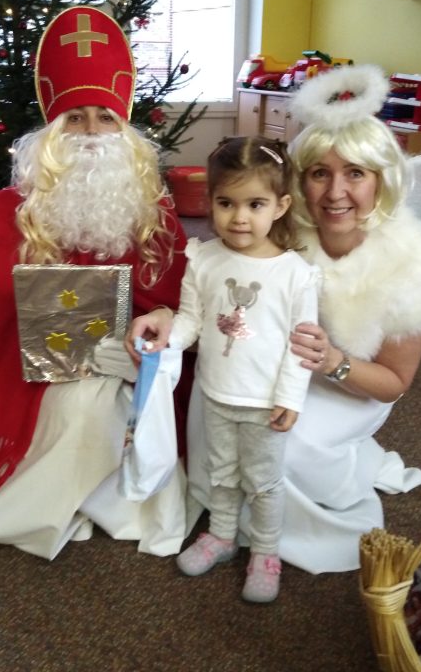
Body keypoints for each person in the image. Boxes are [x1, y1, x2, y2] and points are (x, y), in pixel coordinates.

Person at [128, 64, 421, 574]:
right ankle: (226, 524)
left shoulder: (414, 265)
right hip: (266, 364)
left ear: (381, 179)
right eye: (320, 173)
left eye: (355, 173)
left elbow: (393, 384)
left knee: (284, 442)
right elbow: (217, 292)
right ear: (299, 183)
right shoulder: (279, 226)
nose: (335, 192)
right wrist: (167, 315)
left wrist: (334, 362)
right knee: (216, 402)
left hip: (351, 385)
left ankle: (276, 538)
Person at [0, 5, 192, 560]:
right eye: (74, 118)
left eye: (105, 118)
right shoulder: (18, 208)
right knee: (76, 408)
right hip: (31, 364)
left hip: (131, 367)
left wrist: (162, 321)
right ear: (50, 134)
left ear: (125, 132)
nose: (90, 132)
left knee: (97, 407)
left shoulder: (154, 215)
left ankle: (80, 499)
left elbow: (182, 301)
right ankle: (51, 505)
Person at [131, 137, 319, 603]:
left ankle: (266, 553)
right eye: (226, 203)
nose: (239, 217)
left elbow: (301, 346)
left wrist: (290, 398)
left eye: (255, 204)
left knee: (263, 481)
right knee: (220, 472)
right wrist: (166, 339)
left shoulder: (296, 274)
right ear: (210, 201)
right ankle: (221, 535)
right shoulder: (205, 259)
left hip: (264, 403)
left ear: (281, 206)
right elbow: (191, 321)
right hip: (215, 393)